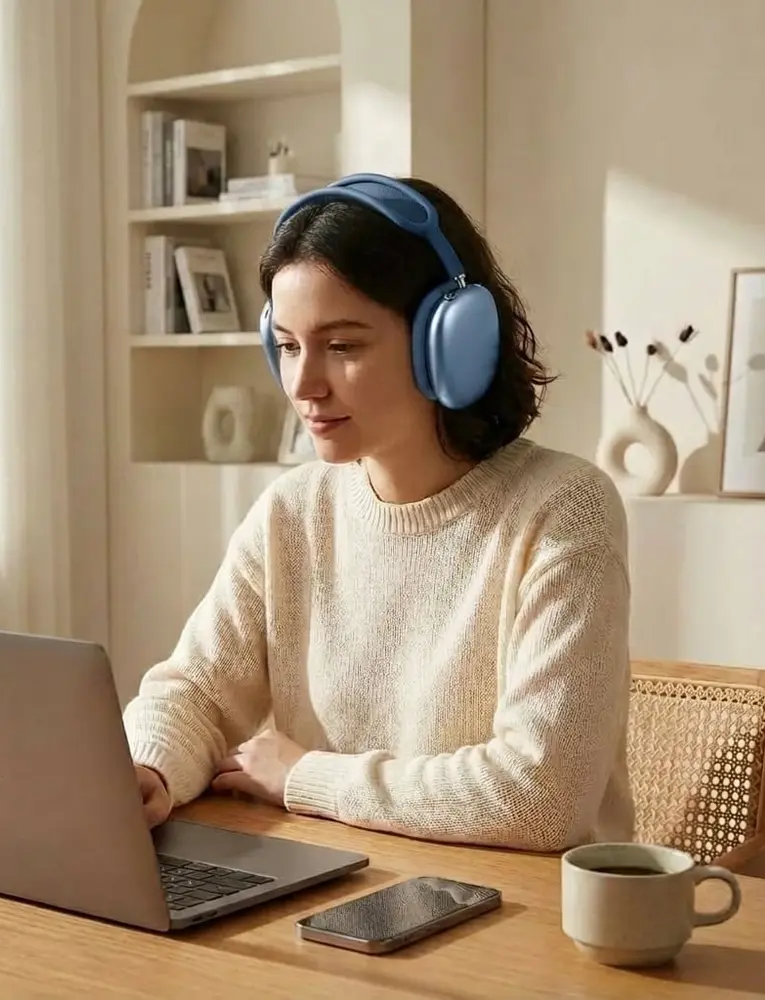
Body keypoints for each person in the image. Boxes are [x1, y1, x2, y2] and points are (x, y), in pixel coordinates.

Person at [122, 173, 635, 852]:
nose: (303, 385)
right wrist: (151, 767)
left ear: (451, 342)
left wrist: (306, 776)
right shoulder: (292, 513)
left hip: (523, 924)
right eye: (287, 345)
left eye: (342, 346)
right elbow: (196, 694)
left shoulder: (563, 511)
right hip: (334, 888)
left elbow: (542, 799)